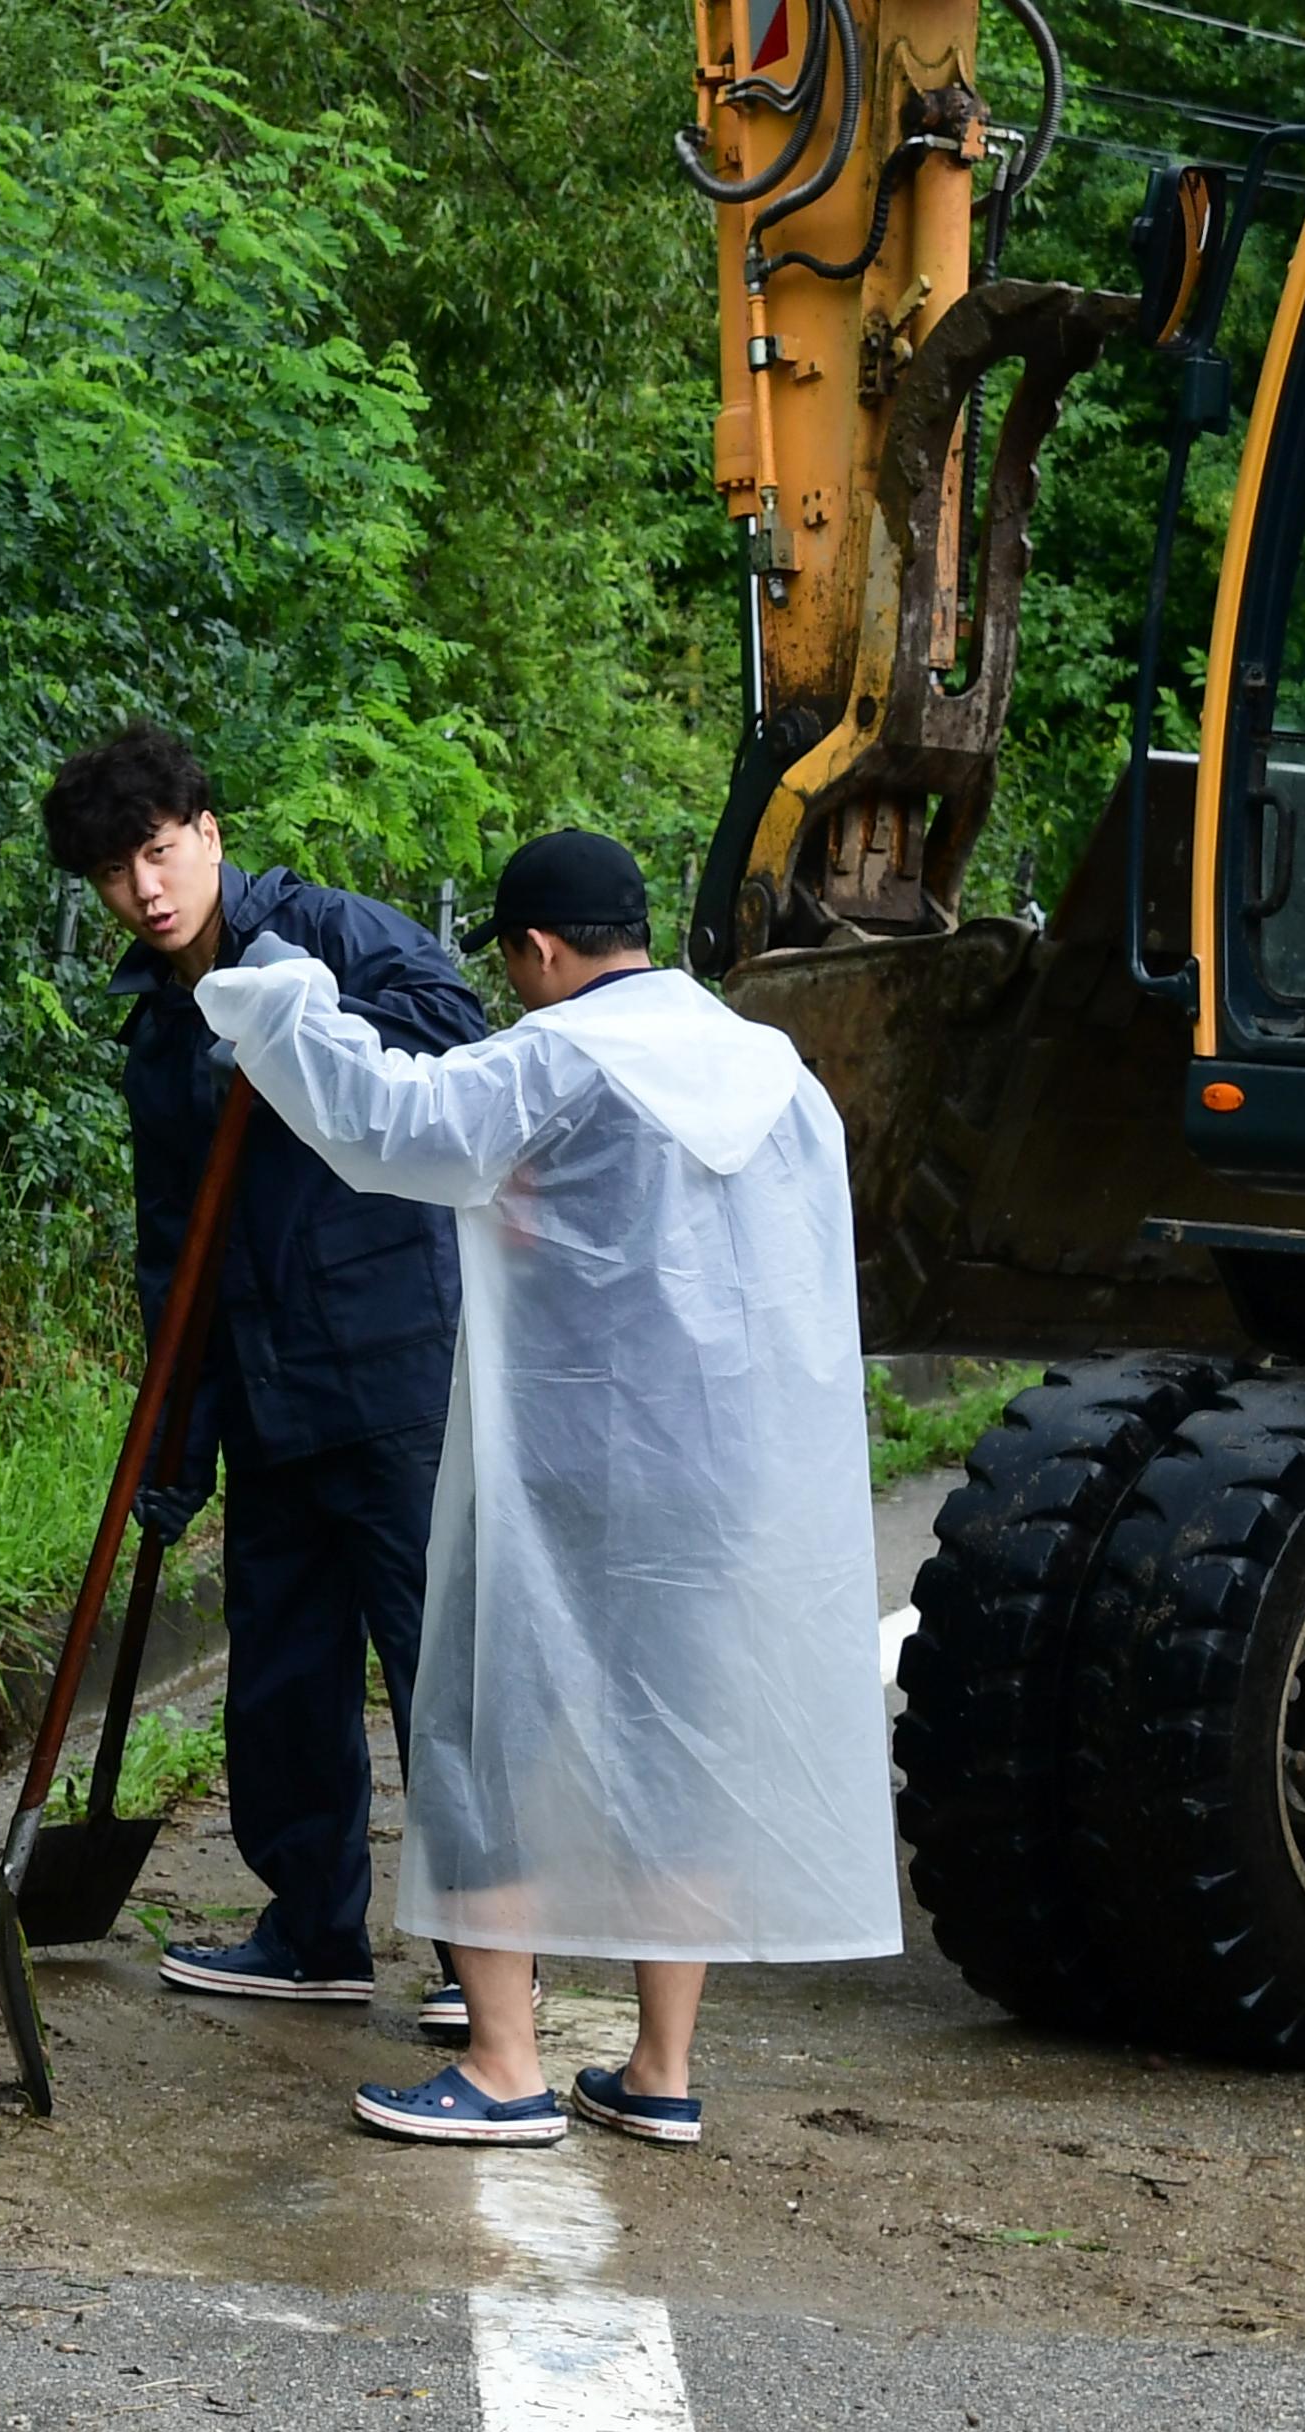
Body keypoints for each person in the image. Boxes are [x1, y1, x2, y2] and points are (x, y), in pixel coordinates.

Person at [189, 829, 902, 2147]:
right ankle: (660, 2071)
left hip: (577, 1473)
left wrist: (276, 991)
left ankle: (506, 2068)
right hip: (723, 1483)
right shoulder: (767, 1067)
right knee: (672, 1754)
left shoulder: (562, 1056)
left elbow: (391, 1124)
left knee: (481, 1741)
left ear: (537, 950)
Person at [40, 723, 491, 2027]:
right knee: (285, 1671)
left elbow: (457, 1039)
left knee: (436, 1667)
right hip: (265, 1383)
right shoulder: (155, 1022)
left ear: (210, 834)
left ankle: (485, 1963)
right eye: (119, 874)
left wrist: (307, 1018)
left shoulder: (331, 933)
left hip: (395, 1366)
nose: (148, 890)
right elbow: (170, 1241)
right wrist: (177, 1435)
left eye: (162, 853)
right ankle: (313, 1930)